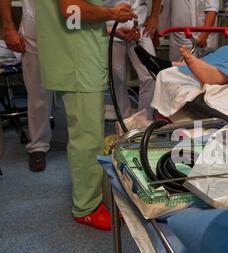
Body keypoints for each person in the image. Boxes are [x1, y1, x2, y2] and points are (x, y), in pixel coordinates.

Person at [35, 0, 137, 230]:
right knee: (87, 137)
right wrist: (112, 13)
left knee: (89, 132)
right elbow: (70, 9)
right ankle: (86, 208)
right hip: (78, 62)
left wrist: (113, 29)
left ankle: (94, 197)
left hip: (80, 55)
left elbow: (75, 19)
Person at [0, 0, 52, 172]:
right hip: (34, 30)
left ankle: (81, 143)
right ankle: (38, 146)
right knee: (37, 93)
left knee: (76, 92)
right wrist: (9, 28)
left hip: (70, 32)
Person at [103, 0, 161, 119]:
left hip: (140, 26)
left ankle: (144, 123)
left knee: (151, 74)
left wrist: (154, 17)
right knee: (117, 77)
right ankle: (124, 121)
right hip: (111, 25)